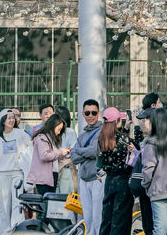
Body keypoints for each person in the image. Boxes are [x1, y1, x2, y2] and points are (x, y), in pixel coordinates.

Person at [0, 109, 30, 235]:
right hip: (1, 175)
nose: (12, 120)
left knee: (18, 203)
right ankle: (5, 231)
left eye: (13, 118)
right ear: (2, 120)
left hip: (17, 173)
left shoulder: (20, 133)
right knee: (3, 206)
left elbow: (31, 146)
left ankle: (17, 230)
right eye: (9, 118)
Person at [97, 108, 133, 235]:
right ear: (117, 120)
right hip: (123, 181)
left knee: (107, 218)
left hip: (109, 181)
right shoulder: (124, 138)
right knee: (120, 220)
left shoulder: (102, 139)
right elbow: (134, 155)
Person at [70, 99, 104, 235]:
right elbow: (73, 157)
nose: (91, 116)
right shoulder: (82, 135)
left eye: (93, 113)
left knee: (98, 218)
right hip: (83, 180)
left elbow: (95, 150)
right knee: (88, 219)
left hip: (97, 179)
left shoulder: (102, 131)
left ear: (98, 114)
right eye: (88, 112)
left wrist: (80, 150)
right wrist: (86, 151)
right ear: (83, 114)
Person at [26, 113, 70, 194]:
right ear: (53, 125)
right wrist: (60, 152)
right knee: (46, 202)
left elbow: (53, 156)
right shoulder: (42, 138)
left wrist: (62, 153)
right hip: (43, 178)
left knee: (49, 203)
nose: (59, 132)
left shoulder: (51, 139)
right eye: (59, 129)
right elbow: (44, 156)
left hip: (51, 176)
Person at [55, 106, 77, 193]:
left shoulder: (68, 132)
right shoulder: (69, 132)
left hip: (63, 169)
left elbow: (72, 151)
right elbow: (73, 151)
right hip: (63, 168)